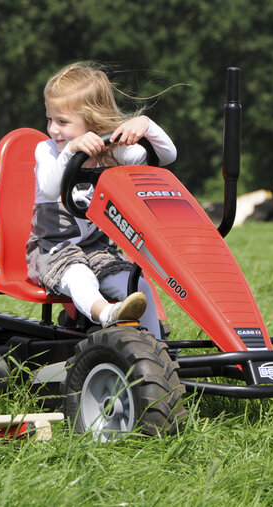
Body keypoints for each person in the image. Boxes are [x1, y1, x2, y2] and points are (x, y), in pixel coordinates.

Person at [26, 62, 177, 338]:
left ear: (93, 123)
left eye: (62, 122)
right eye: (50, 119)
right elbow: (49, 189)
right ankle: (106, 313)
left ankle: (157, 348)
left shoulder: (114, 155)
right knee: (80, 276)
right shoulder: (47, 152)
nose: (53, 130)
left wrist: (146, 125)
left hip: (98, 249)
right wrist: (72, 149)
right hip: (52, 251)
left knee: (139, 286)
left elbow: (167, 155)